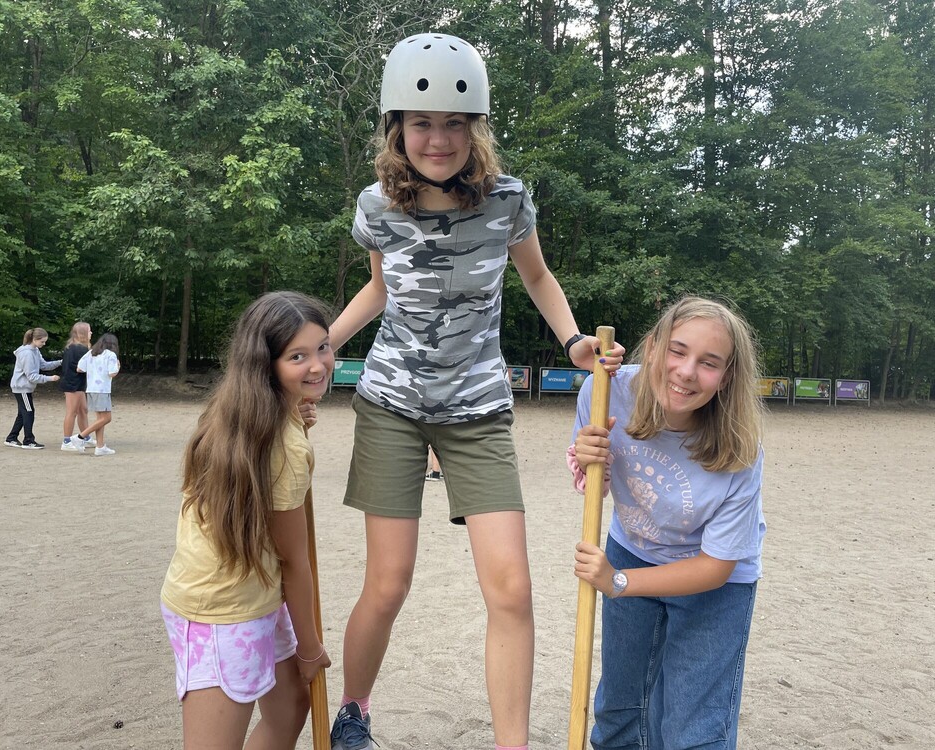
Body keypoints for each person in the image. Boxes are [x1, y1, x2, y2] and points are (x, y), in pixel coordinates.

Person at [326, 32, 624, 750]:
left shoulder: (507, 201)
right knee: (389, 583)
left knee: (511, 588)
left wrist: (574, 341)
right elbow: (378, 289)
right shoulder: (376, 206)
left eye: (455, 123)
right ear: (397, 129)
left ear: (476, 129)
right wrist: (320, 349)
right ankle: (354, 712)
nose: (439, 139)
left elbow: (537, 277)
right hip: (392, 404)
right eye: (422, 123)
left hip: (478, 410)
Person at [568, 296, 766, 750]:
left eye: (709, 363)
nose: (687, 372)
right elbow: (595, 487)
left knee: (691, 730)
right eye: (677, 350)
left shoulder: (741, 448)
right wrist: (588, 458)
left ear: (727, 376)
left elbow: (716, 566)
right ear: (654, 347)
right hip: (632, 548)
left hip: (714, 583)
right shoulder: (605, 392)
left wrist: (617, 581)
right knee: (619, 712)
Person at [160, 291, 334, 750]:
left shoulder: (236, 406)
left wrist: (294, 410)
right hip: (221, 611)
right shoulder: (283, 447)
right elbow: (294, 561)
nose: (318, 365)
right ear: (266, 365)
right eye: (297, 356)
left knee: (290, 706)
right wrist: (310, 649)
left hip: (257, 590)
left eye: (322, 347)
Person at [4, 327, 62, 450]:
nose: (44, 344)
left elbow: (44, 365)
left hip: (25, 388)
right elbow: (31, 376)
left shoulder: (35, 350)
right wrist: (50, 378)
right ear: (34, 339)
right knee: (29, 412)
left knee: (23, 413)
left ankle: (11, 438)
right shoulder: (27, 353)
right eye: (42, 341)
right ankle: (28, 441)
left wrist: (61, 362)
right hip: (22, 388)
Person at [73, 333, 120, 456]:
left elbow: (79, 368)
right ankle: (80, 437)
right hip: (102, 390)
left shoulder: (91, 353)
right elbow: (112, 373)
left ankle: (100, 446)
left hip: (91, 389)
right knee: (106, 418)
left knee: (100, 419)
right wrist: (118, 367)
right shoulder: (111, 355)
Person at [59, 321, 94, 453]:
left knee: (83, 410)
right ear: (83, 333)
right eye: (89, 331)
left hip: (78, 383)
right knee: (72, 412)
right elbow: (83, 367)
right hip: (72, 384)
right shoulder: (79, 349)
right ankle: (66, 441)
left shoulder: (75, 347)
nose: (91, 333)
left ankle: (85, 437)